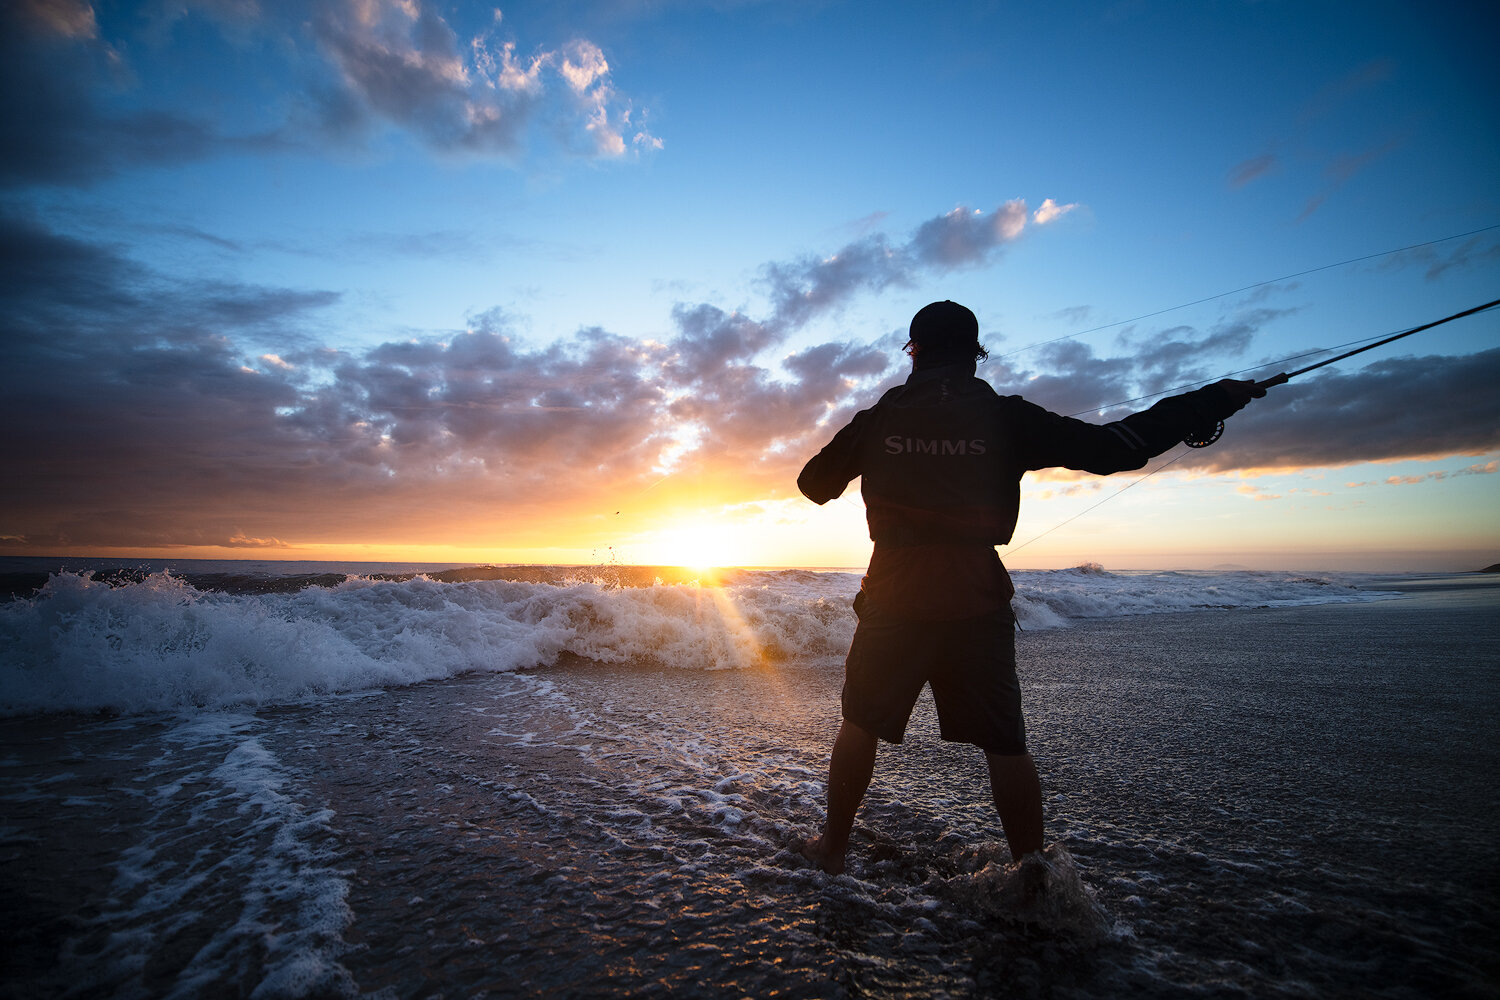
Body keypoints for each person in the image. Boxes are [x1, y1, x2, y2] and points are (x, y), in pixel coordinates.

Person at [796, 299, 1263, 876]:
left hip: (894, 591)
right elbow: (1118, 446)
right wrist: (1211, 400)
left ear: (914, 352)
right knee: (1005, 743)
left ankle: (832, 850)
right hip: (976, 595)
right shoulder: (1006, 416)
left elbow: (813, 484)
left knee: (860, 722)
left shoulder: (879, 417)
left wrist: (886, 450)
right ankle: (1032, 878)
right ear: (974, 355)